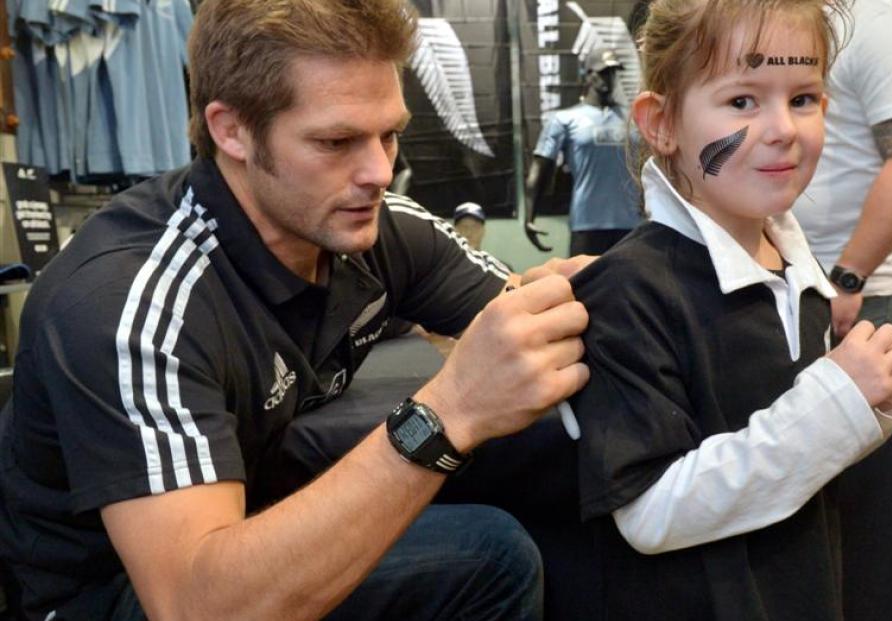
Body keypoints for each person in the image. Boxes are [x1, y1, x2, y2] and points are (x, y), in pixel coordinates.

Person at [0, 0, 593, 619]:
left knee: (537, 461)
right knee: (491, 554)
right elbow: (195, 606)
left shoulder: (371, 226)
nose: (379, 171)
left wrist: (620, 292)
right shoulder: (132, 304)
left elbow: (528, 317)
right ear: (231, 130)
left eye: (389, 133)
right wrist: (447, 412)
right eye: (336, 141)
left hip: (245, 495)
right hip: (121, 590)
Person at [567, 0, 892, 618]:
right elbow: (649, 511)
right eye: (742, 101)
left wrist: (876, 406)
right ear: (662, 123)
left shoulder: (795, 266)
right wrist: (838, 399)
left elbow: (801, 457)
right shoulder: (628, 291)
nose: (784, 128)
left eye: (804, 98)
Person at [791, 0, 892, 339]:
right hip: (789, 271)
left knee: (859, 391)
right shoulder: (782, 21)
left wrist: (848, 278)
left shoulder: (879, 29)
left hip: (855, 287)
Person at [524, 48, 643, 256]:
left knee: (631, 288)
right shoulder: (564, 120)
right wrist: (529, 216)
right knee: (585, 288)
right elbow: (539, 170)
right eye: (603, 71)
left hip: (632, 225)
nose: (609, 77)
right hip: (587, 226)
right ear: (588, 74)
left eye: (613, 72)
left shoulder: (635, 119)